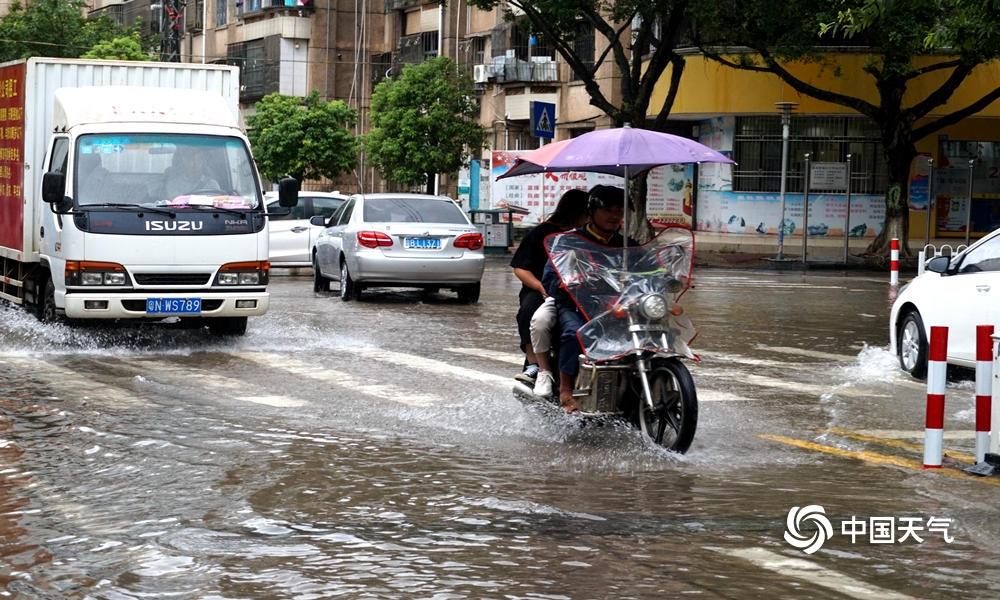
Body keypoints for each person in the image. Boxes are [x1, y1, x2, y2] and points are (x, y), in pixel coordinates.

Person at [542, 184, 637, 412]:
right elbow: (550, 277)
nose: (614, 216)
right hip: (578, 305)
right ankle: (566, 390)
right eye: (608, 210)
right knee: (573, 334)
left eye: (619, 211)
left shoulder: (628, 245)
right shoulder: (568, 242)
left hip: (620, 306)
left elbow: (650, 269)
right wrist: (571, 282)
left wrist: (667, 276)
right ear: (591, 212)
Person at [510, 189, 589, 387]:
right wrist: (541, 287)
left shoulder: (589, 237)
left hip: (584, 291)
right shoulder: (542, 233)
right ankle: (535, 365)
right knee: (529, 312)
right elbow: (520, 268)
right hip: (544, 289)